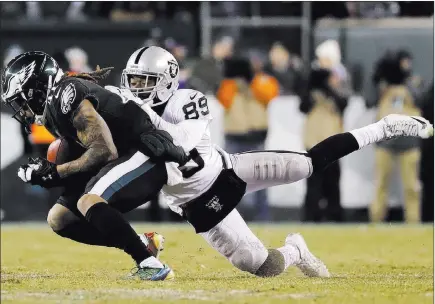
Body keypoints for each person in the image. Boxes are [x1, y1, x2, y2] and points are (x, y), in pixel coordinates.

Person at [107, 46, 433, 278]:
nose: (135, 90)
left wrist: (137, 114)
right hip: (198, 204)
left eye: (143, 81)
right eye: (132, 82)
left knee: (307, 164)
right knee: (265, 267)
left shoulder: (186, 100)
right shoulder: (130, 118)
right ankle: (297, 251)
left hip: (227, 170)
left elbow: (180, 144)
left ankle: (385, 127)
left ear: (166, 80)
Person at [1, 51, 190, 281]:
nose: (22, 109)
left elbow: (103, 150)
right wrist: (48, 175)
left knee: (88, 200)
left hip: (146, 151)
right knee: (59, 218)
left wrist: (56, 171)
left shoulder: (65, 95)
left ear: (37, 89)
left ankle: (151, 264)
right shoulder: (56, 105)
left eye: (22, 100)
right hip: (123, 155)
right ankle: (142, 242)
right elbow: (89, 154)